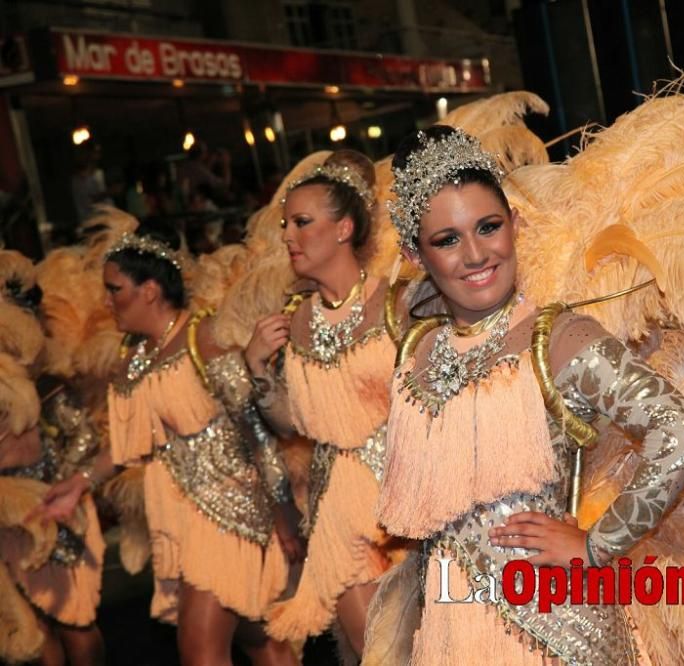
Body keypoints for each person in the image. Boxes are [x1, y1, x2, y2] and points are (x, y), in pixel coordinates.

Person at [369, 126, 684, 664]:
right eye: (447, 239)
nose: (476, 254)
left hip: (555, 628)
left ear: (515, 225)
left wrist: (598, 546)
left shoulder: (558, 339)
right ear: (416, 255)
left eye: (488, 227)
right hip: (450, 625)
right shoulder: (418, 348)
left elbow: (682, 433)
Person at [36, 226, 303, 666]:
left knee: (199, 651)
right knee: (261, 641)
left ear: (151, 290)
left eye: (114, 289)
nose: (106, 301)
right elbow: (127, 446)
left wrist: (284, 517)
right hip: (179, 517)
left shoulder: (206, 339)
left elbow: (255, 429)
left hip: (227, 515)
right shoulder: (136, 356)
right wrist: (78, 484)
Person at [244, 150, 408, 660]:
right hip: (337, 508)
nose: (289, 236)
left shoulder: (398, 303)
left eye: (302, 222)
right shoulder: (293, 321)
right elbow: (293, 422)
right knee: (371, 651)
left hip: (408, 501)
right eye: (285, 224)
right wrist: (256, 370)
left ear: (343, 228)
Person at [0, 250, 106, 665]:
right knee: (36, 625)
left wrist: (57, 488)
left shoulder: (46, 387)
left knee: (74, 622)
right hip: (11, 518)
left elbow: (85, 436)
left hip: (55, 509)